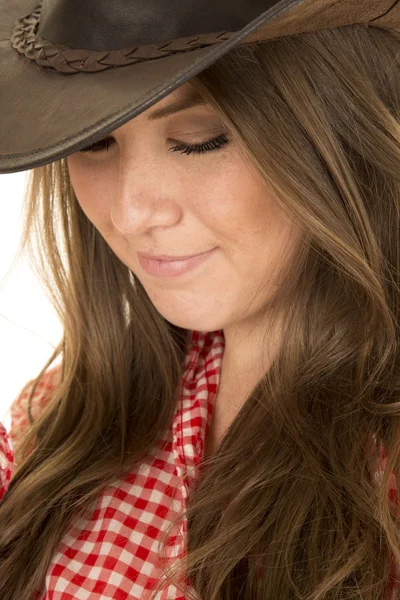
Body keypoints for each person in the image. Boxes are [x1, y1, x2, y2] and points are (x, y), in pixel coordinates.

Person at [0, 0, 399, 598]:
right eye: (97, 142)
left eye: (199, 140)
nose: (132, 213)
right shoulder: (60, 418)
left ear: (340, 132)